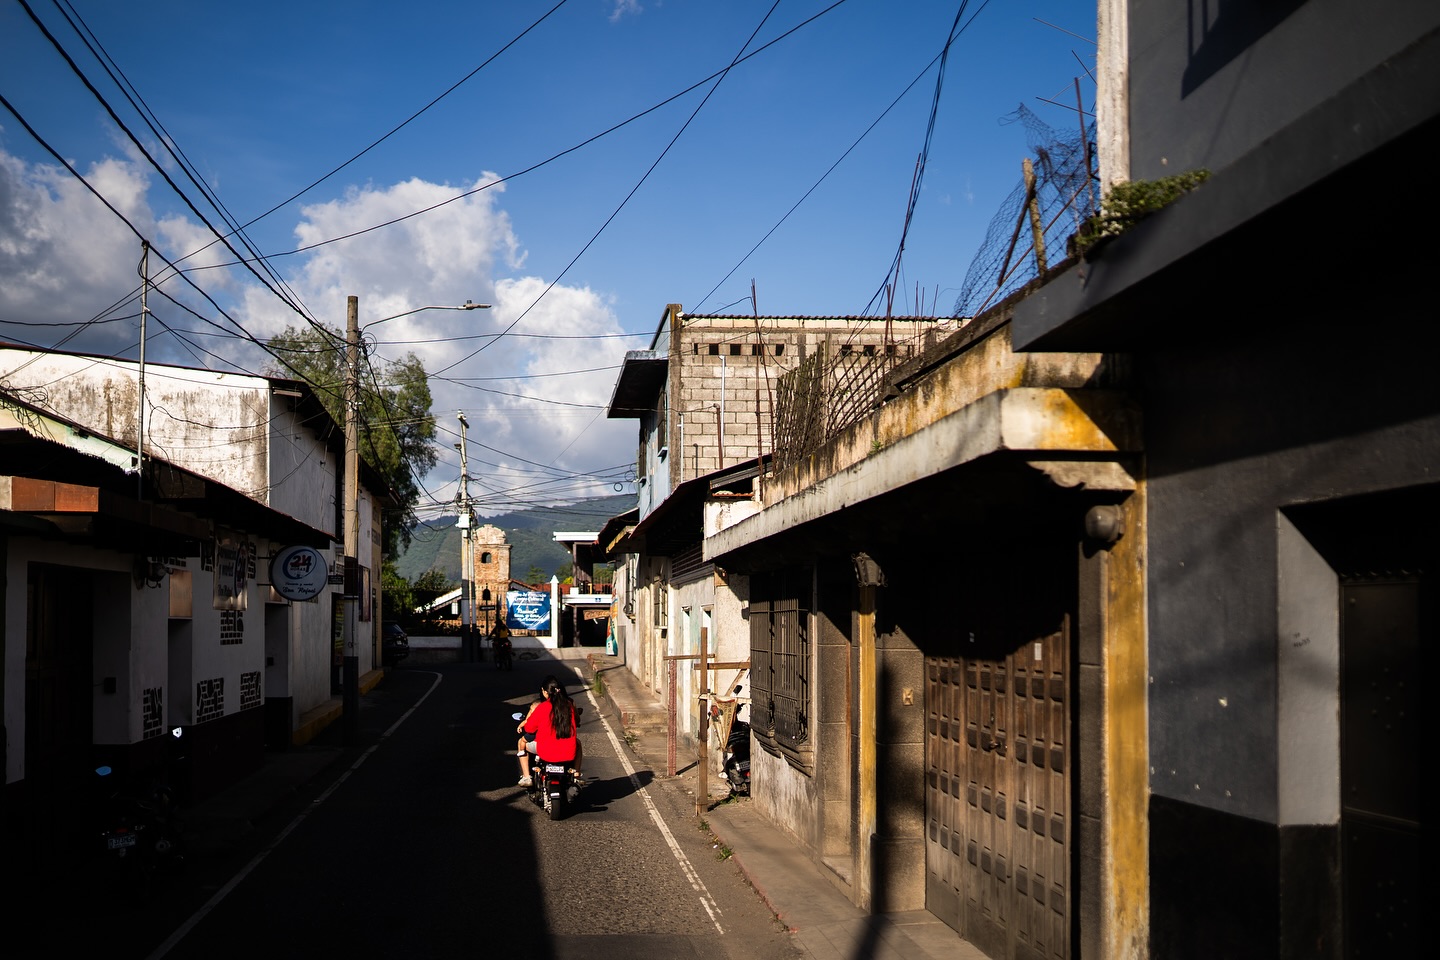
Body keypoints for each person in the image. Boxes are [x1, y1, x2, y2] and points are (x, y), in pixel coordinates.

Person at [518, 676, 584, 788]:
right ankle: (576, 776)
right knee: (578, 744)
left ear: (545, 692)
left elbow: (529, 729)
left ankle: (526, 776)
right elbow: (576, 720)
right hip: (568, 751)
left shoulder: (542, 707)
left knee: (521, 742)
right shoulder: (569, 705)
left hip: (545, 752)